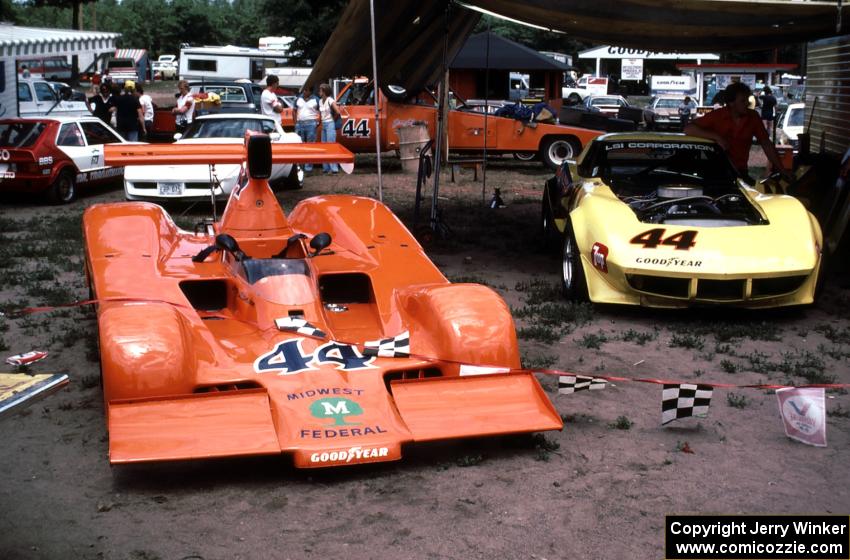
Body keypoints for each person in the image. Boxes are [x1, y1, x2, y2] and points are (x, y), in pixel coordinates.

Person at [684, 81, 791, 185]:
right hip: (716, 172)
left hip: (741, 171)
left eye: (747, 100)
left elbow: (766, 144)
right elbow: (688, 129)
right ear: (731, 102)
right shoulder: (718, 116)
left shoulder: (753, 117)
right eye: (743, 101)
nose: (748, 104)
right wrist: (717, 137)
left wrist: (782, 170)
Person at [294, 85, 320, 172]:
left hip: (311, 123)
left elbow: (321, 110)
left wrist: (318, 121)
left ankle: (308, 168)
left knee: (310, 146)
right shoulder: (298, 98)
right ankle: (300, 167)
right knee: (299, 145)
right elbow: (294, 110)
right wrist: (295, 122)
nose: (304, 92)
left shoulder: (316, 99)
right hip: (299, 123)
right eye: (304, 90)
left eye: (306, 90)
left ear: (310, 92)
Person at [318, 83, 341, 174]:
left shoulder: (330, 100)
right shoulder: (320, 101)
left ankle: (334, 168)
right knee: (324, 146)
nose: (319, 92)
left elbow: (337, 112)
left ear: (324, 91)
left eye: (320, 90)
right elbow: (321, 113)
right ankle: (326, 168)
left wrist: (332, 120)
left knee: (331, 146)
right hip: (324, 124)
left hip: (330, 123)